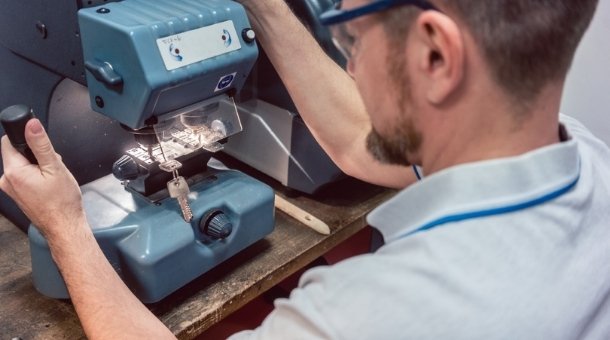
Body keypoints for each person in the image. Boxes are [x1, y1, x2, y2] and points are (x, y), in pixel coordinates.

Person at [2, 0, 609, 338]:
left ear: (434, 54)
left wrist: (67, 228)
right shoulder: (583, 158)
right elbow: (354, 138)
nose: (350, 61)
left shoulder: (371, 316)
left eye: (352, 39)